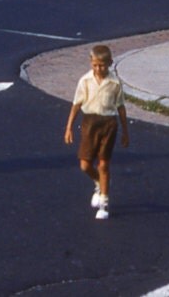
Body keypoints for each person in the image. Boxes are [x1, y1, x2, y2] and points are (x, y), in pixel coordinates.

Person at [64, 44, 130, 220]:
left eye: (102, 65)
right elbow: (76, 104)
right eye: (95, 65)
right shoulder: (85, 81)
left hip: (108, 124)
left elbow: (121, 107)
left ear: (109, 63)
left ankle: (104, 203)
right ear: (90, 63)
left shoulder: (115, 83)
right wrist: (69, 127)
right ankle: (99, 183)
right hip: (90, 123)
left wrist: (125, 131)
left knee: (103, 164)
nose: (98, 68)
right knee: (85, 165)